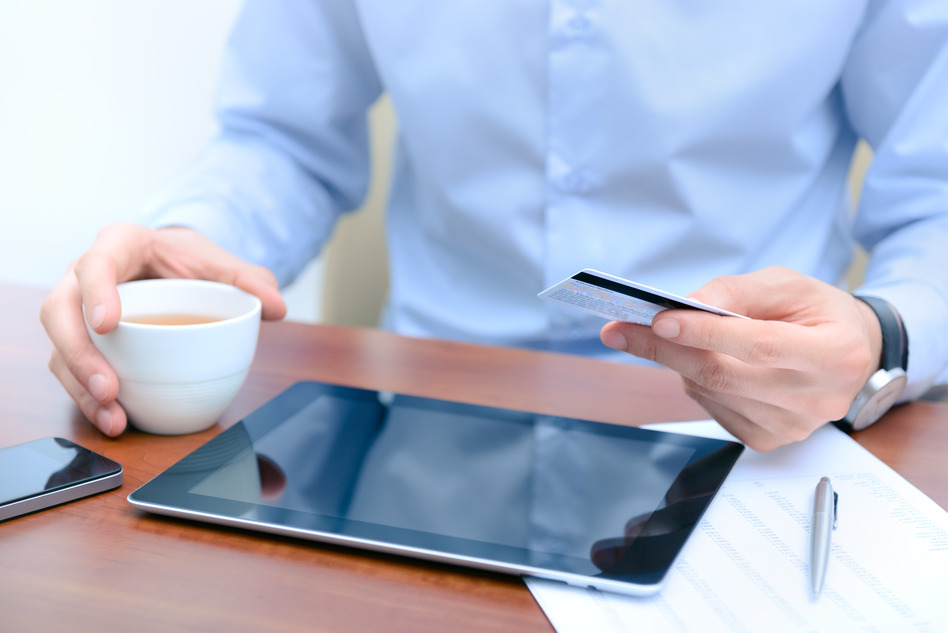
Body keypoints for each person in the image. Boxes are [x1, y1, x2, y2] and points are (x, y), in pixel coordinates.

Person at [40, 1, 948, 451]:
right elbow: (283, 138)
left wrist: (883, 336)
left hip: (753, 435)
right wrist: (185, 252)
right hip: (423, 429)